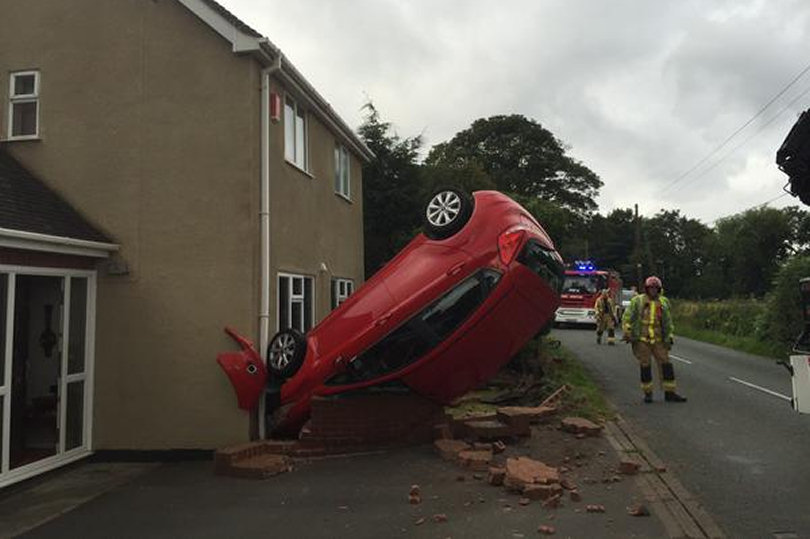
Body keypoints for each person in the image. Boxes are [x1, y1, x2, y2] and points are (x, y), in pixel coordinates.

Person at [621, 276, 687, 404]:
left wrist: (669, 336)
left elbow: (667, 322)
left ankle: (670, 392)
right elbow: (627, 317)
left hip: (659, 340)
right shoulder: (638, 301)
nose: (653, 290)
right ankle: (648, 393)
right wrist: (627, 330)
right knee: (645, 365)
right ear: (646, 289)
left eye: (655, 288)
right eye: (651, 288)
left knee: (666, 364)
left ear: (659, 289)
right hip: (642, 339)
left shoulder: (663, 302)